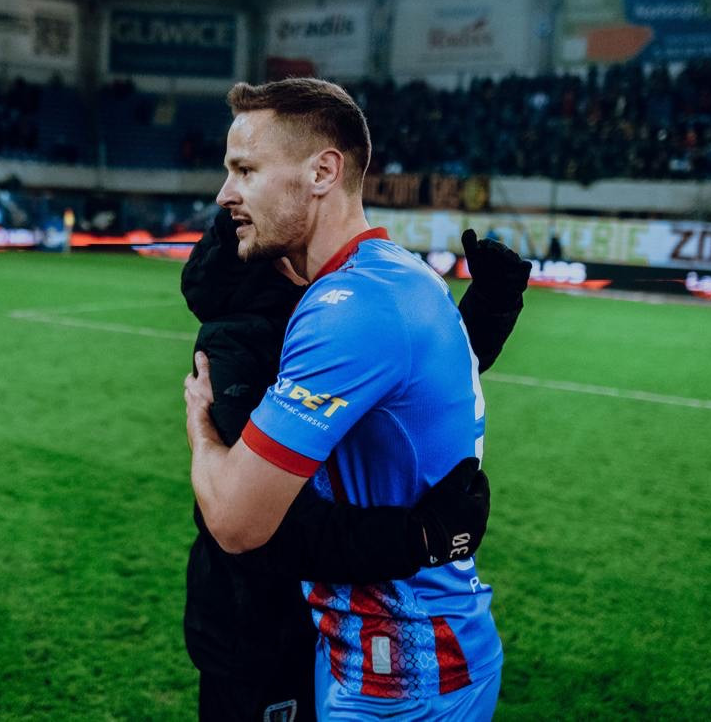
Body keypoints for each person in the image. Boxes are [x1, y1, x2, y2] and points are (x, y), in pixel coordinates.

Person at [184, 78, 525, 718]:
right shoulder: (393, 276)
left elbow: (235, 520)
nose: (225, 194)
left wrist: (199, 425)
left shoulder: (351, 305)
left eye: (245, 170)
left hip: (407, 668)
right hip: (360, 654)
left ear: (323, 171)